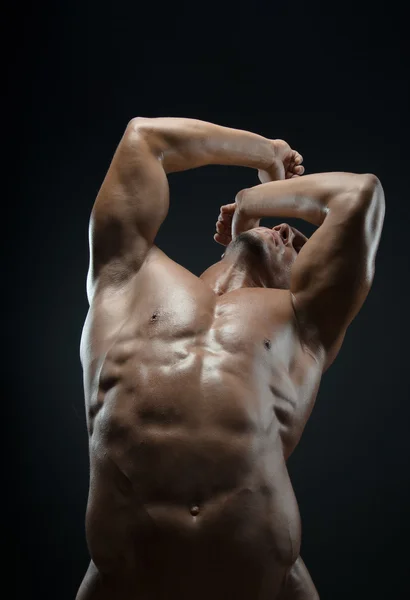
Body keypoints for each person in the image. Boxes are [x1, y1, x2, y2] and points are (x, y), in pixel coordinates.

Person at [76, 117, 385, 600]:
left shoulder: (302, 323)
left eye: (301, 244)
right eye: (286, 227)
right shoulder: (128, 276)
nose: (288, 230)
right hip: (128, 579)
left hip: (257, 578)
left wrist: (253, 200)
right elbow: (145, 138)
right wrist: (265, 153)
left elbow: (359, 195)